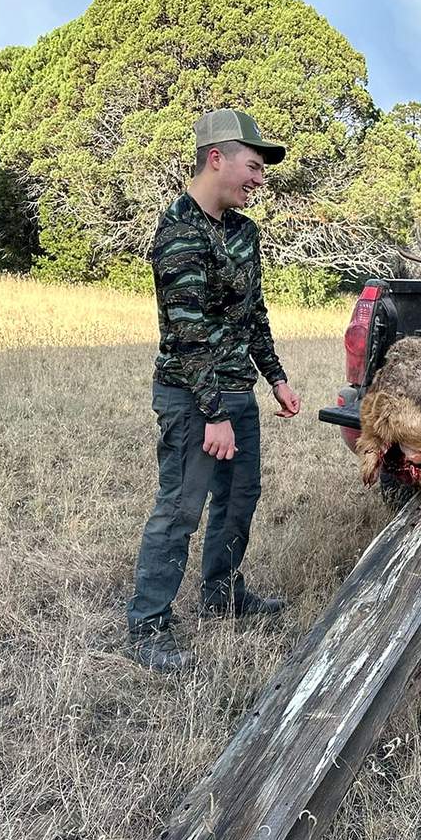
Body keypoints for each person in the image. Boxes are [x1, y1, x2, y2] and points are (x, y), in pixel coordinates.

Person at [126, 108, 302, 673]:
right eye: (253, 167)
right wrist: (213, 415)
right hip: (192, 397)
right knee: (180, 509)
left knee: (239, 499)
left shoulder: (244, 234)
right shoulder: (179, 231)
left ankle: (222, 595)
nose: (259, 180)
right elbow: (187, 331)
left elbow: (253, 315)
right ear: (216, 158)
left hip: (236, 396)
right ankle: (149, 624)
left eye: (262, 171)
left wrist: (275, 377)